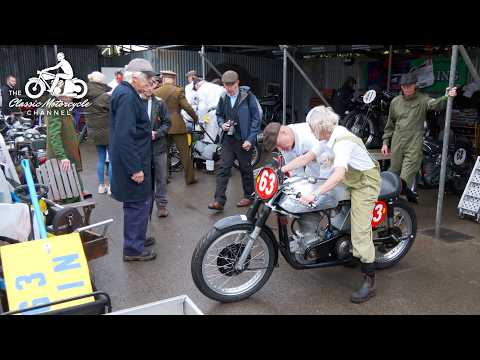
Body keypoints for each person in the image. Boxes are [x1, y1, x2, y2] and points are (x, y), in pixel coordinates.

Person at [281, 106, 381, 303]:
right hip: (350, 179)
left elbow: (338, 174)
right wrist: (281, 169)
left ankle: (369, 281)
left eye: (311, 127)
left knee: (360, 232)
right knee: (323, 201)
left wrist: (314, 194)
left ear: (319, 128)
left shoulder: (342, 141)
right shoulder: (327, 139)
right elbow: (307, 157)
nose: (310, 131)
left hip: (364, 183)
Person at [381, 73, 457, 202]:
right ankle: (389, 200)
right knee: (392, 172)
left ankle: (398, 204)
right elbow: (390, 124)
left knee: (405, 177)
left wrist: (446, 97)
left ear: (415, 85)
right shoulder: (395, 102)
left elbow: (435, 104)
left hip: (414, 143)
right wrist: (385, 142)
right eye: (404, 86)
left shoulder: (422, 99)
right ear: (401, 87)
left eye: (409, 86)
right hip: (397, 142)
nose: (407, 89)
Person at [109, 58, 157, 262]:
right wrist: (135, 169)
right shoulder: (127, 96)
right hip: (133, 163)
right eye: (147, 80)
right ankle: (133, 249)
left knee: (140, 203)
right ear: (135, 77)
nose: (149, 85)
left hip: (136, 159)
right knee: (137, 205)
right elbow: (124, 136)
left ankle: (137, 238)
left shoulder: (127, 93)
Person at [208, 70, 261, 211]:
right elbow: (219, 114)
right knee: (223, 169)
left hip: (244, 140)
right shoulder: (223, 97)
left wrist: (251, 139)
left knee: (245, 168)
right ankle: (219, 200)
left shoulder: (248, 97)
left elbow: (256, 119)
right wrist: (221, 124)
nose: (229, 89)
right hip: (228, 140)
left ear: (237, 83)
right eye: (226, 86)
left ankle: (249, 196)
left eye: (231, 86)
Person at [154, 70, 199, 185]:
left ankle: (164, 178)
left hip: (164, 126)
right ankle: (190, 179)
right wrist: (195, 118)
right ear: (173, 79)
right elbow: (187, 107)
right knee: (184, 153)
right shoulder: (178, 90)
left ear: (163, 78)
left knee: (164, 153)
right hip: (178, 126)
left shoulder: (156, 91)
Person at [46, 95, 87, 195]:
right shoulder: (56, 108)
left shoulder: (63, 108)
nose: (71, 98)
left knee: (76, 191)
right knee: (68, 194)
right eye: (69, 96)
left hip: (68, 157)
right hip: (63, 159)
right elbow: (54, 135)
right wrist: (62, 156)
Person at [143, 80, 171, 217]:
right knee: (146, 178)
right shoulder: (136, 103)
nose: (148, 88)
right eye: (146, 86)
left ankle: (161, 206)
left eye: (151, 85)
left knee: (161, 177)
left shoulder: (160, 103)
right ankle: (146, 206)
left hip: (159, 147)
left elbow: (167, 123)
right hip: (142, 148)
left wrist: (157, 133)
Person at [85, 71, 112, 195]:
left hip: (94, 132)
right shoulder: (105, 97)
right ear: (101, 82)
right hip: (108, 132)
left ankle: (101, 186)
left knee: (101, 158)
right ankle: (111, 187)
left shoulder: (85, 95)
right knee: (112, 160)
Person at [194, 78, 225, 144]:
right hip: (222, 114)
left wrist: (201, 121)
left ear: (197, 85)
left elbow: (202, 108)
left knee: (210, 139)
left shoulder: (201, 89)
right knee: (222, 137)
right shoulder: (219, 87)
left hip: (211, 114)